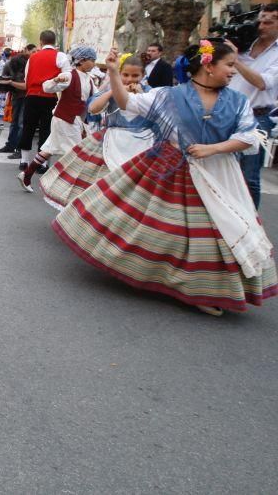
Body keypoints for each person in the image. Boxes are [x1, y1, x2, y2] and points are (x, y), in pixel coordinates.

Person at [53, 43, 276, 316]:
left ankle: (205, 289)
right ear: (208, 66)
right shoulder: (169, 95)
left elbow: (249, 137)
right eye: (229, 65)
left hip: (219, 174)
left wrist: (213, 148)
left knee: (219, 229)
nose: (233, 71)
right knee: (177, 230)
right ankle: (182, 284)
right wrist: (113, 72)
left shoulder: (238, 101)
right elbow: (127, 103)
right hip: (171, 169)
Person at [39, 54, 152, 209]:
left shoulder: (150, 93)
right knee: (103, 185)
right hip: (112, 142)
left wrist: (141, 95)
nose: (130, 79)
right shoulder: (110, 89)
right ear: (119, 74)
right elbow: (93, 108)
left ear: (143, 76)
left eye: (135, 75)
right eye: (125, 75)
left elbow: (157, 113)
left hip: (141, 145)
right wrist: (114, 92)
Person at [18, 46, 96, 192]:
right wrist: (55, 80)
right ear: (82, 60)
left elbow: (96, 98)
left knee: (49, 149)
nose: (94, 63)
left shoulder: (89, 79)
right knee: (75, 153)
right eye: (92, 60)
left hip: (76, 120)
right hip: (65, 119)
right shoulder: (69, 75)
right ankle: (65, 187)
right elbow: (46, 87)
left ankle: (26, 175)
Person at [229, 3, 278, 208]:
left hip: (258, 119)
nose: (262, 25)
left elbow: (262, 83)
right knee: (223, 170)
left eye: (269, 21)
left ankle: (251, 225)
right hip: (227, 113)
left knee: (249, 177)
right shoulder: (242, 42)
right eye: (260, 20)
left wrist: (236, 60)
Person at [17, 30, 71, 173]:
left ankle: (24, 161)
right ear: (54, 42)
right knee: (46, 129)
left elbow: (26, 78)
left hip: (32, 96)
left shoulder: (32, 57)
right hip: (50, 97)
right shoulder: (60, 56)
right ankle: (43, 163)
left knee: (28, 127)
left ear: (41, 42)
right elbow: (67, 78)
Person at [0, 44, 34, 158]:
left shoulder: (29, 63)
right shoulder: (15, 63)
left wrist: (9, 83)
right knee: (16, 122)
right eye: (33, 51)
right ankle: (12, 145)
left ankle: (19, 149)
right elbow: (5, 77)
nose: (34, 53)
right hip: (18, 95)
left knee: (20, 123)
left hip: (25, 95)